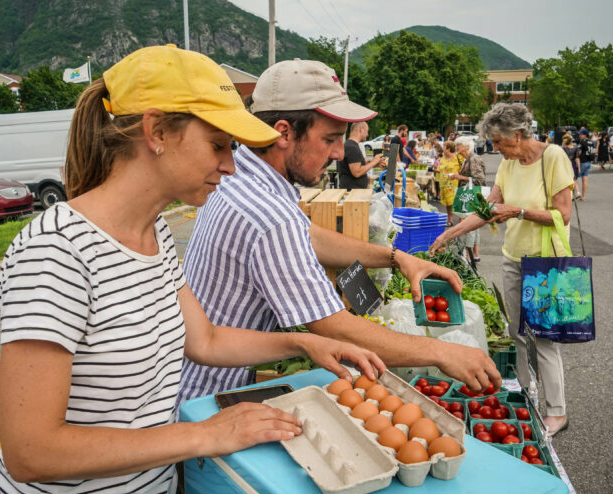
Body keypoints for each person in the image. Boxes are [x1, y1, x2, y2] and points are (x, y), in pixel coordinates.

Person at [0, 46, 386, 494]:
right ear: (157, 131)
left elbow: (203, 340)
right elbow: (31, 452)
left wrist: (303, 341)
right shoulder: (56, 253)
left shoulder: (154, 232)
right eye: (219, 145)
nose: (231, 166)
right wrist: (203, 435)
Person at [179, 58, 502, 413]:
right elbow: (334, 327)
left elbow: (310, 237)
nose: (338, 153)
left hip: (199, 379)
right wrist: (442, 351)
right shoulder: (269, 216)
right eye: (330, 139)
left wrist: (396, 258)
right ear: (284, 132)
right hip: (204, 400)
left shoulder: (244, 176)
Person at [430, 103, 573, 436]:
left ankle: (557, 411)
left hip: (545, 263)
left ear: (518, 135)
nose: (496, 149)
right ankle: (523, 393)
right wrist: (449, 232)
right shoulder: (509, 165)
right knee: (516, 333)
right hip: (513, 258)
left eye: (498, 142)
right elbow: (487, 209)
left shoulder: (553, 159)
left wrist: (519, 211)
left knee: (545, 340)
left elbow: (562, 214)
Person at [450, 136, 486, 261]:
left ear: (466, 146)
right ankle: (475, 254)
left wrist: (459, 178)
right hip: (471, 195)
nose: (456, 147)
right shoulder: (467, 159)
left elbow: (479, 179)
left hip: (472, 195)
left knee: (470, 224)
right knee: (474, 224)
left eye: (458, 145)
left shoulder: (473, 159)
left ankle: (468, 253)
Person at [338, 122, 384, 189]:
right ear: (361, 129)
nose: (367, 134)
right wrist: (374, 162)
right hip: (352, 192)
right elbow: (357, 172)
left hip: (353, 191)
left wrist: (375, 163)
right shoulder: (352, 147)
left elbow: (358, 165)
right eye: (367, 131)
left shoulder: (351, 145)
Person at [438, 140, 464, 225]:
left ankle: (461, 219)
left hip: (456, 184)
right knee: (448, 203)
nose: (442, 149)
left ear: (448, 149)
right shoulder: (442, 158)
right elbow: (439, 170)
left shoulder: (458, 157)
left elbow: (463, 168)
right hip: (445, 185)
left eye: (444, 147)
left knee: (459, 201)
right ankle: (450, 219)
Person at [575, 128, 591, 201]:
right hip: (588, 161)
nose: (580, 136)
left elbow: (579, 152)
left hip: (582, 161)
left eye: (581, 134)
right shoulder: (590, 142)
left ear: (585, 135)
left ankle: (577, 193)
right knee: (585, 179)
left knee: (574, 178)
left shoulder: (582, 142)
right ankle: (583, 196)